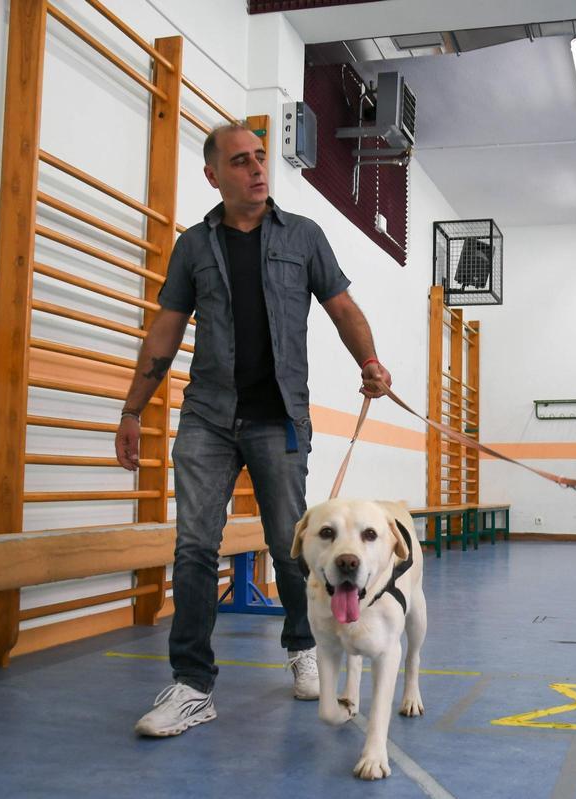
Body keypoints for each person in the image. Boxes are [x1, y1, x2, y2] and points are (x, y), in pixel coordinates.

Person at [116, 123, 391, 737]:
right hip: (208, 419)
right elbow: (164, 331)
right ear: (214, 175)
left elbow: (342, 307)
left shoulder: (304, 236)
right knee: (193, 548)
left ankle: (305, 650)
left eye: (261, 158)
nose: (257, 170)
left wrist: (369, 362)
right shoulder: (193, 246)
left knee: (292, 545)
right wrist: (133, 408)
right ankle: (191, 686)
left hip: (280, 420)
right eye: (240, 162)